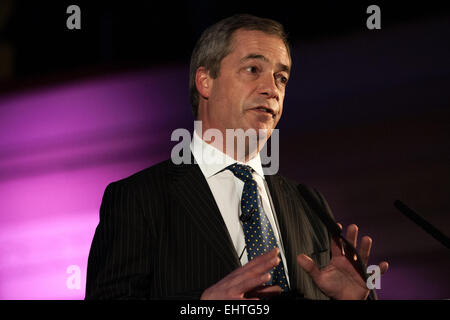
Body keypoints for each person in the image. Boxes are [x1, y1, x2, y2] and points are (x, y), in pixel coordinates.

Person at [85, 14, 388, 300]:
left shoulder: (309, 204)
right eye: (253, 70)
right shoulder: (138, 199)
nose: (272, 89)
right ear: (205, 81)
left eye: (281, 78)